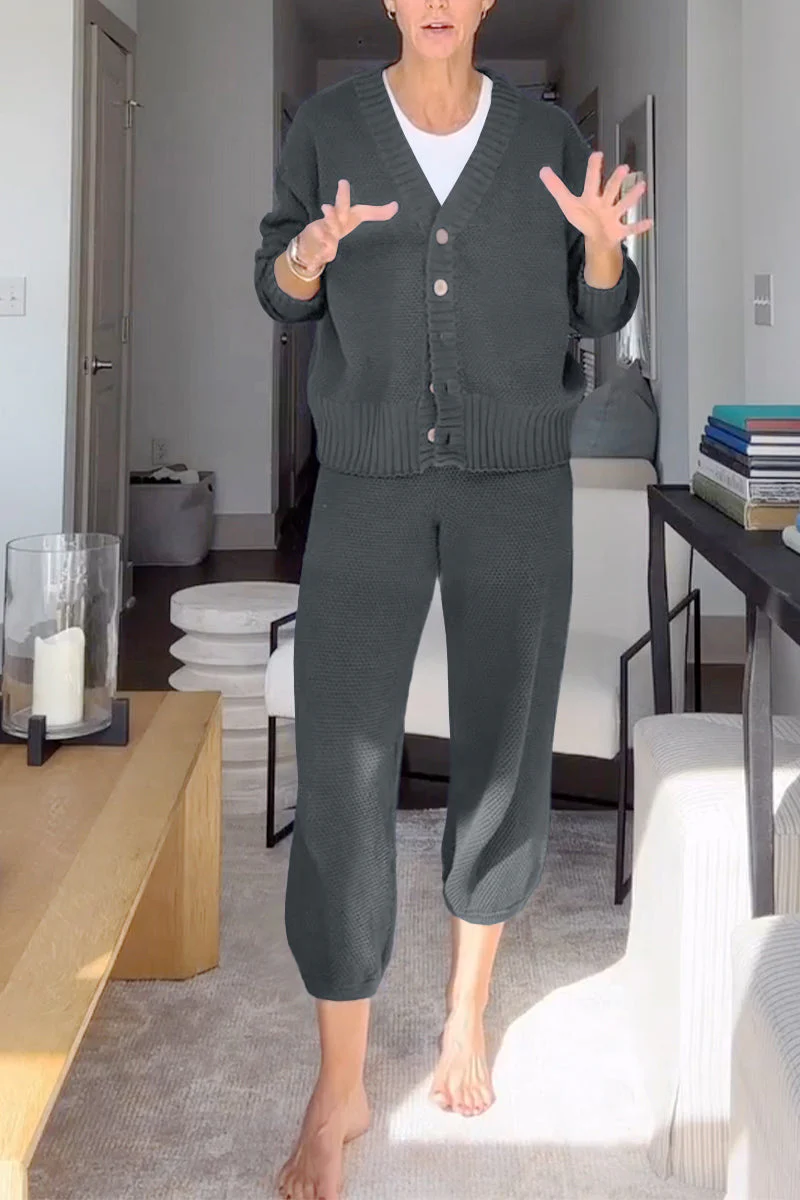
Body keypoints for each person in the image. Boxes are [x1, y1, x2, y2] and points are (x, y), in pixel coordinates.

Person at [255, 2, 649, 1197]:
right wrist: (307, 256)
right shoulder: (327, 127)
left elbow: (597, 311)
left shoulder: (542, 136)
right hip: (365, 482)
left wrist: (600, 252)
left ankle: (465, 1013)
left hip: (513, 486)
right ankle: (338, 1082)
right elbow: (280, 292)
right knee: (342, 760)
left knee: (501, 743)